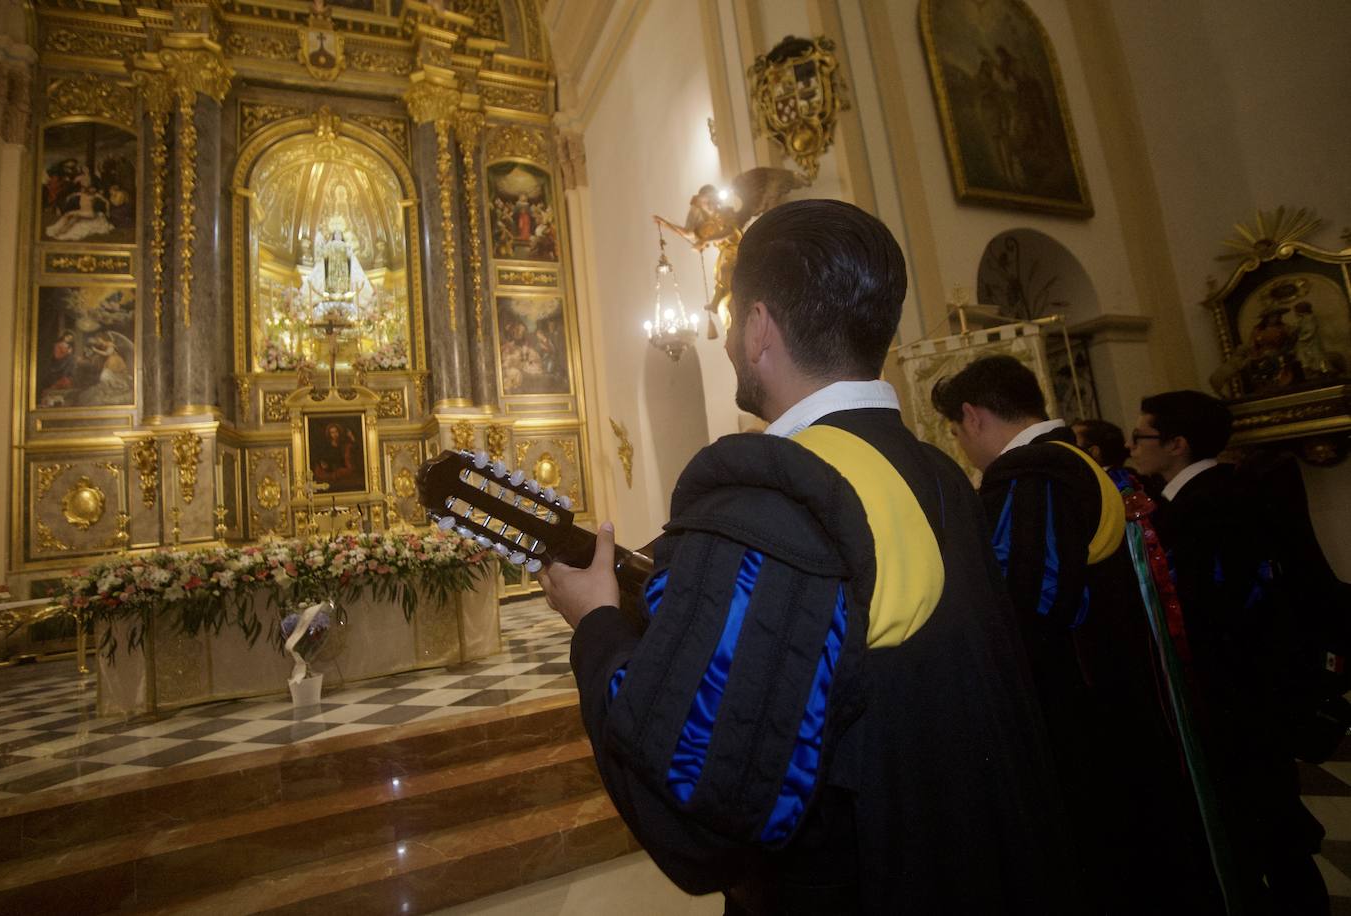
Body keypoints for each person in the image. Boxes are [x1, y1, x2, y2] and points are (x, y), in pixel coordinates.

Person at [538, 200, 1074, 913]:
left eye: (732, 321)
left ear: (760, 327)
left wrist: (597, 625)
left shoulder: (768, 496)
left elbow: (698, 815)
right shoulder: (941, 473)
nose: (729, 341)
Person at [931, 356, 1218, 913]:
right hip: (1114, 687)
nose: (962, 446)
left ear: (973, 416)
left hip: (1073, 707)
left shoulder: (1030, 476)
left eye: (956, 432)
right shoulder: (1073, 460)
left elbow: (1027, 602)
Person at [1131, 390, 1332, 914]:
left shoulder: (1205, 507)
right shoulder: (1219, 492)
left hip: (1231, 697)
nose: (1133, 449)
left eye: (1141, 436)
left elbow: (1210, 606)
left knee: (1258, 827)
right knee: (1266, 825)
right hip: (1246, 694)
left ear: (1176, 444)